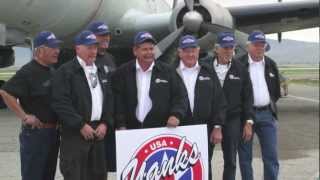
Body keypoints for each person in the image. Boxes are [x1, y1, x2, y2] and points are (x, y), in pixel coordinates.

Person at [51, 30, 113, 180]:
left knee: (98, 175)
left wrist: (105, 123)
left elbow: (109, 99)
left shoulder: (100, 70)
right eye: (89, 47)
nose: (93, 51)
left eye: (95, 47)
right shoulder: (65, 72)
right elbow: (60, 103)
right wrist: (80, 125)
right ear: (77, 48)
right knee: (75, 175)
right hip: (75, 135)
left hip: (98, 133)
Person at [0, 31, 61, 180]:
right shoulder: (28, 71)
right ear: (39, 51)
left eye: (57, 47)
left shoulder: (52, 72)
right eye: (52, 47)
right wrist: (24, 116)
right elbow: (6, 92)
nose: (57, 51)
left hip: (52, 134)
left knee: (48, 175)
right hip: (35, 135)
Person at [202, 32, 254, 180]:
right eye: (225, 48)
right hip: (209, 120)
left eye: (231, 48)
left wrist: (248, 122)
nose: (228, 51)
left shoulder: (241, 69)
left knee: (231, 160)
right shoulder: (204, 66)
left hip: (232, 119)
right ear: (216, 49)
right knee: (205, 158)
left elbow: (248, 98)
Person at [174, 35, 227, 180]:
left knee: (203, 166)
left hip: (204, 129)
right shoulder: (170, 72)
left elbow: (219, 101)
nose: (190, 54)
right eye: (186, 51)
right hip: (178, 129)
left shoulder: (208, 71)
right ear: (179, 52)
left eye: (193, 50)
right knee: (178, 169)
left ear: (198, 51)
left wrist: (217, 126)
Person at [112, 31, 188, 130]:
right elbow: (117, 100)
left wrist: (176, 115)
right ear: (135, 51)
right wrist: (120, 124)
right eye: (145, 49)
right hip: (130, 131)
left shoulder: (168, 72)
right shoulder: (122, 72)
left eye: (151, 49)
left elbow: (181, 96)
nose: (149, 53)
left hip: (160, 130)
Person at [237, 30, 281, 180]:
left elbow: (275, 91)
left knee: (271, 156)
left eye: (262, 45)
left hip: (267, 115)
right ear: (248, 46)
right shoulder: (239, 65)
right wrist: (245, 118)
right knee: (245, 158)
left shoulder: (270, 64)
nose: (259, 48)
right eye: (256, 45)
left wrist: (269, 105)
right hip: (245, 117)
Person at [87, 20, 117, 172]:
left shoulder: (110, 58)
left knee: (105, 166)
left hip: (109, 120)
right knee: (90, 167)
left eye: (107, 35)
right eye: (101, 36)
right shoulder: (88, 61)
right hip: (93, 125)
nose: (105, 38)